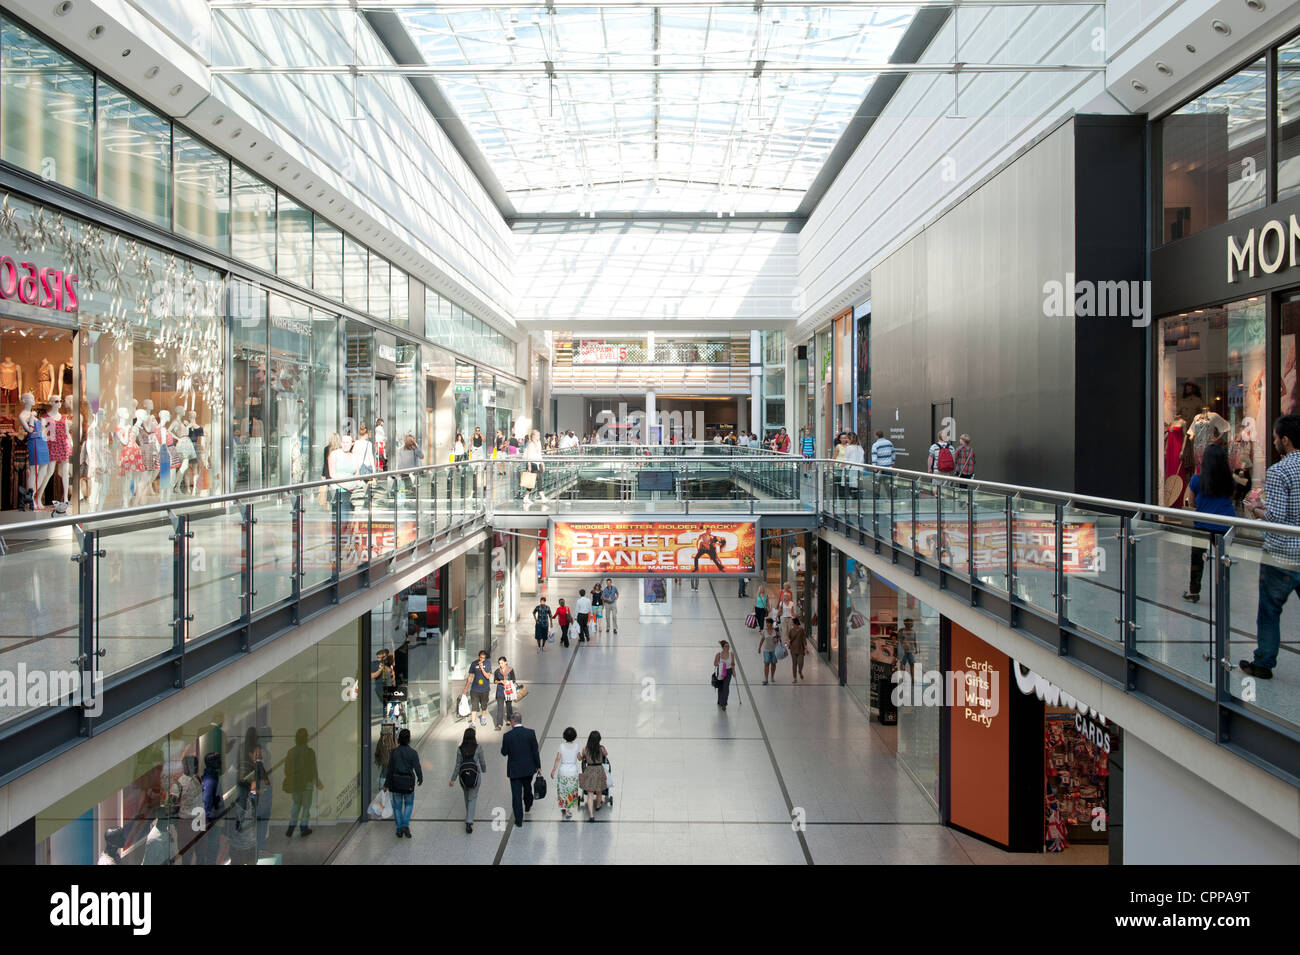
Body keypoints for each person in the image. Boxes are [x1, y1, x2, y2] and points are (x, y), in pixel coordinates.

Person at [1243, 414, 1300, 679]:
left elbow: (1276, 517)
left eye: (1276, 438)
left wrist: (1256, 509)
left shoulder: (1279, 470)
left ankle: (1264, 662)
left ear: (1285, 440)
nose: (1275, 441)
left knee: (1269, 610)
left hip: (1282, 554)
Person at [1183, 442, 1234, 604]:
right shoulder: (1229, 480)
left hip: (1202, 525)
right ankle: (1223, 594)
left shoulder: (1197, 480)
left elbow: (1190, 502)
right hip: (1225, 525)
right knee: (1223, 560)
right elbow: (1231, 498)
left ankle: (1194, 591)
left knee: (1197, 560)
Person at [500, 711, 541, 827]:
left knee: (516, 794)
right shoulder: (530, 733)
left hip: (514, 770)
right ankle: (528, 804)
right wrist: (538, 766)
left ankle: (518, 819)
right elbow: (535, 751)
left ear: (512, 722)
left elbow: (504, 752)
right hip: (528, 768)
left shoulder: (507, 736)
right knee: (527, 787)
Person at [284, 727, 324, 838]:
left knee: (296, 804)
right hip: (307, 784)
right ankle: (303, 827)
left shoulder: (291, 752)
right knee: (306, 806)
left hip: (295, 783)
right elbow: (313, 769)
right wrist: (318, 782)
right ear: (306, 738)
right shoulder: (310, 752)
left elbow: (287, 769)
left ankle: (291, 827)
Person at [384, 727, 423, 838]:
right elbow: (417, 767)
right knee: (409, 804)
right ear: (409, 739)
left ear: (399, 739)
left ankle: (399, 829)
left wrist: (386, 784)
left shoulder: (394, 753)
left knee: (397, 806)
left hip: (396, 782)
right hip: (408, 782)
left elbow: (390, 769)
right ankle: (405, 824)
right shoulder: (413, 753)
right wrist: (420, 778)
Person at [449, 727, 487, 833]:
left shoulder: (460, 749)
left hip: (463, 777)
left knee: (466, 797)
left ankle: (468, 816)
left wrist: (453, 779)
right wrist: (483, 770)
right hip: (475, 776)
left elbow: (457, 765)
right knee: (473, 798)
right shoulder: (478, 747)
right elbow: (482, 761)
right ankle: (469, 821)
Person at [550, 727, 582, 820]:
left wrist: (553, 770)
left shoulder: (561, 746)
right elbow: (579, 758)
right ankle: (568, 810)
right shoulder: (576, 746)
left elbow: (558, 759)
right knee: (571, 791)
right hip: (572, 771)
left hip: (563, 771)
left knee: (563, 790)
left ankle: (563, 807)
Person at [199, 751, 225, 865]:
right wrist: (208, 819)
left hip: (212, 817)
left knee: (212, 847)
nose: (220, 762)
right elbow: (207, 799)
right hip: (212, 820)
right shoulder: (211, 780)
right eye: (218, 760)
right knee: (212, 848)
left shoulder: (211, 776)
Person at [579, 731, 609, 821]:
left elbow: (583, 757)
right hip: (599, 769)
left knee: (590, 794)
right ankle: (598, 805)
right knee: (599, 790)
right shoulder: (602, 748)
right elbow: (606, 754)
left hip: (589, 770)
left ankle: (591, 815)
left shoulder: (585, 749)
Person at [227, 780, 258, 863]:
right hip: (249, 845)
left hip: (239, 846)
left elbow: (229, 829)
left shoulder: (232, 809)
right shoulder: (252, 802)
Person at [464, 650, 493, 727]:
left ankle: (483, 717)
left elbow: (487, 676)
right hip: (475, 689)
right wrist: (466, 688)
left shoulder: (488, 663)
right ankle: (473, 722)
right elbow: (470, 676)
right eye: (480, 657)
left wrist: (482, 668)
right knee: (474, 706)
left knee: (484, 705)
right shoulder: (474, 663)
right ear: (478, 657)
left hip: (485, 689)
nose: (482, 659)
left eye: (483, 658)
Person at [493, 656, 519, 730]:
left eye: (502, 663)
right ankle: (499, 724)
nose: (500, 664)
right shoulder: (497, 671)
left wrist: (508, 682)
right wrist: (500, 681)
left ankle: (509, 720)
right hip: (500, 691)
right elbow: (495, 681)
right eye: (499, 663)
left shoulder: (510, 670)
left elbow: (513, 680)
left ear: (505, 662)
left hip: (508, 690)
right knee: (500, 708)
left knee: (508, 706)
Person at [714, 639, 735, 710]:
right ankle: (720, 700)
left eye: (728, 646)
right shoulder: (718, 654)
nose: (728, 647)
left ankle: (724, 704)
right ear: (722, 647)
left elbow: (732, 664)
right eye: (726, 646)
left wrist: (733, 672)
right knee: (720, 687)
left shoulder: (731, 654)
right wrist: (721, 664)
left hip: (728, 672)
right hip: (720, 671)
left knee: (726, 687)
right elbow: (715, 663)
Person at [758, 617, 780, 685]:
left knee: (773, 664)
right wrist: (759, 648)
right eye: (766, 623)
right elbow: (762, 640)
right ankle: (766, 679)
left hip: (774, 650)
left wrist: (777, 639)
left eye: (768, 623)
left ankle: (772, 676)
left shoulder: (775, 631)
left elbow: (779, 638)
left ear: (771, 623)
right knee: (766, 664)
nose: (767, 624)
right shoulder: (764, 631)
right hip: (766, 650)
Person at [788, 616, 808, 683]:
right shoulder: (791, 630)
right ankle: (795, 678)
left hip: (800, 649)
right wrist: (787, 643)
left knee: (800, 663)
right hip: (793, 649)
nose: (792, 624)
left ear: (795, 623)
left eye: (792, 623)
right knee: (794, 663)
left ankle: (800, 671)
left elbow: (804, 639)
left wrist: (806, 648)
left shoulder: (801, 630)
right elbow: (789, 638)